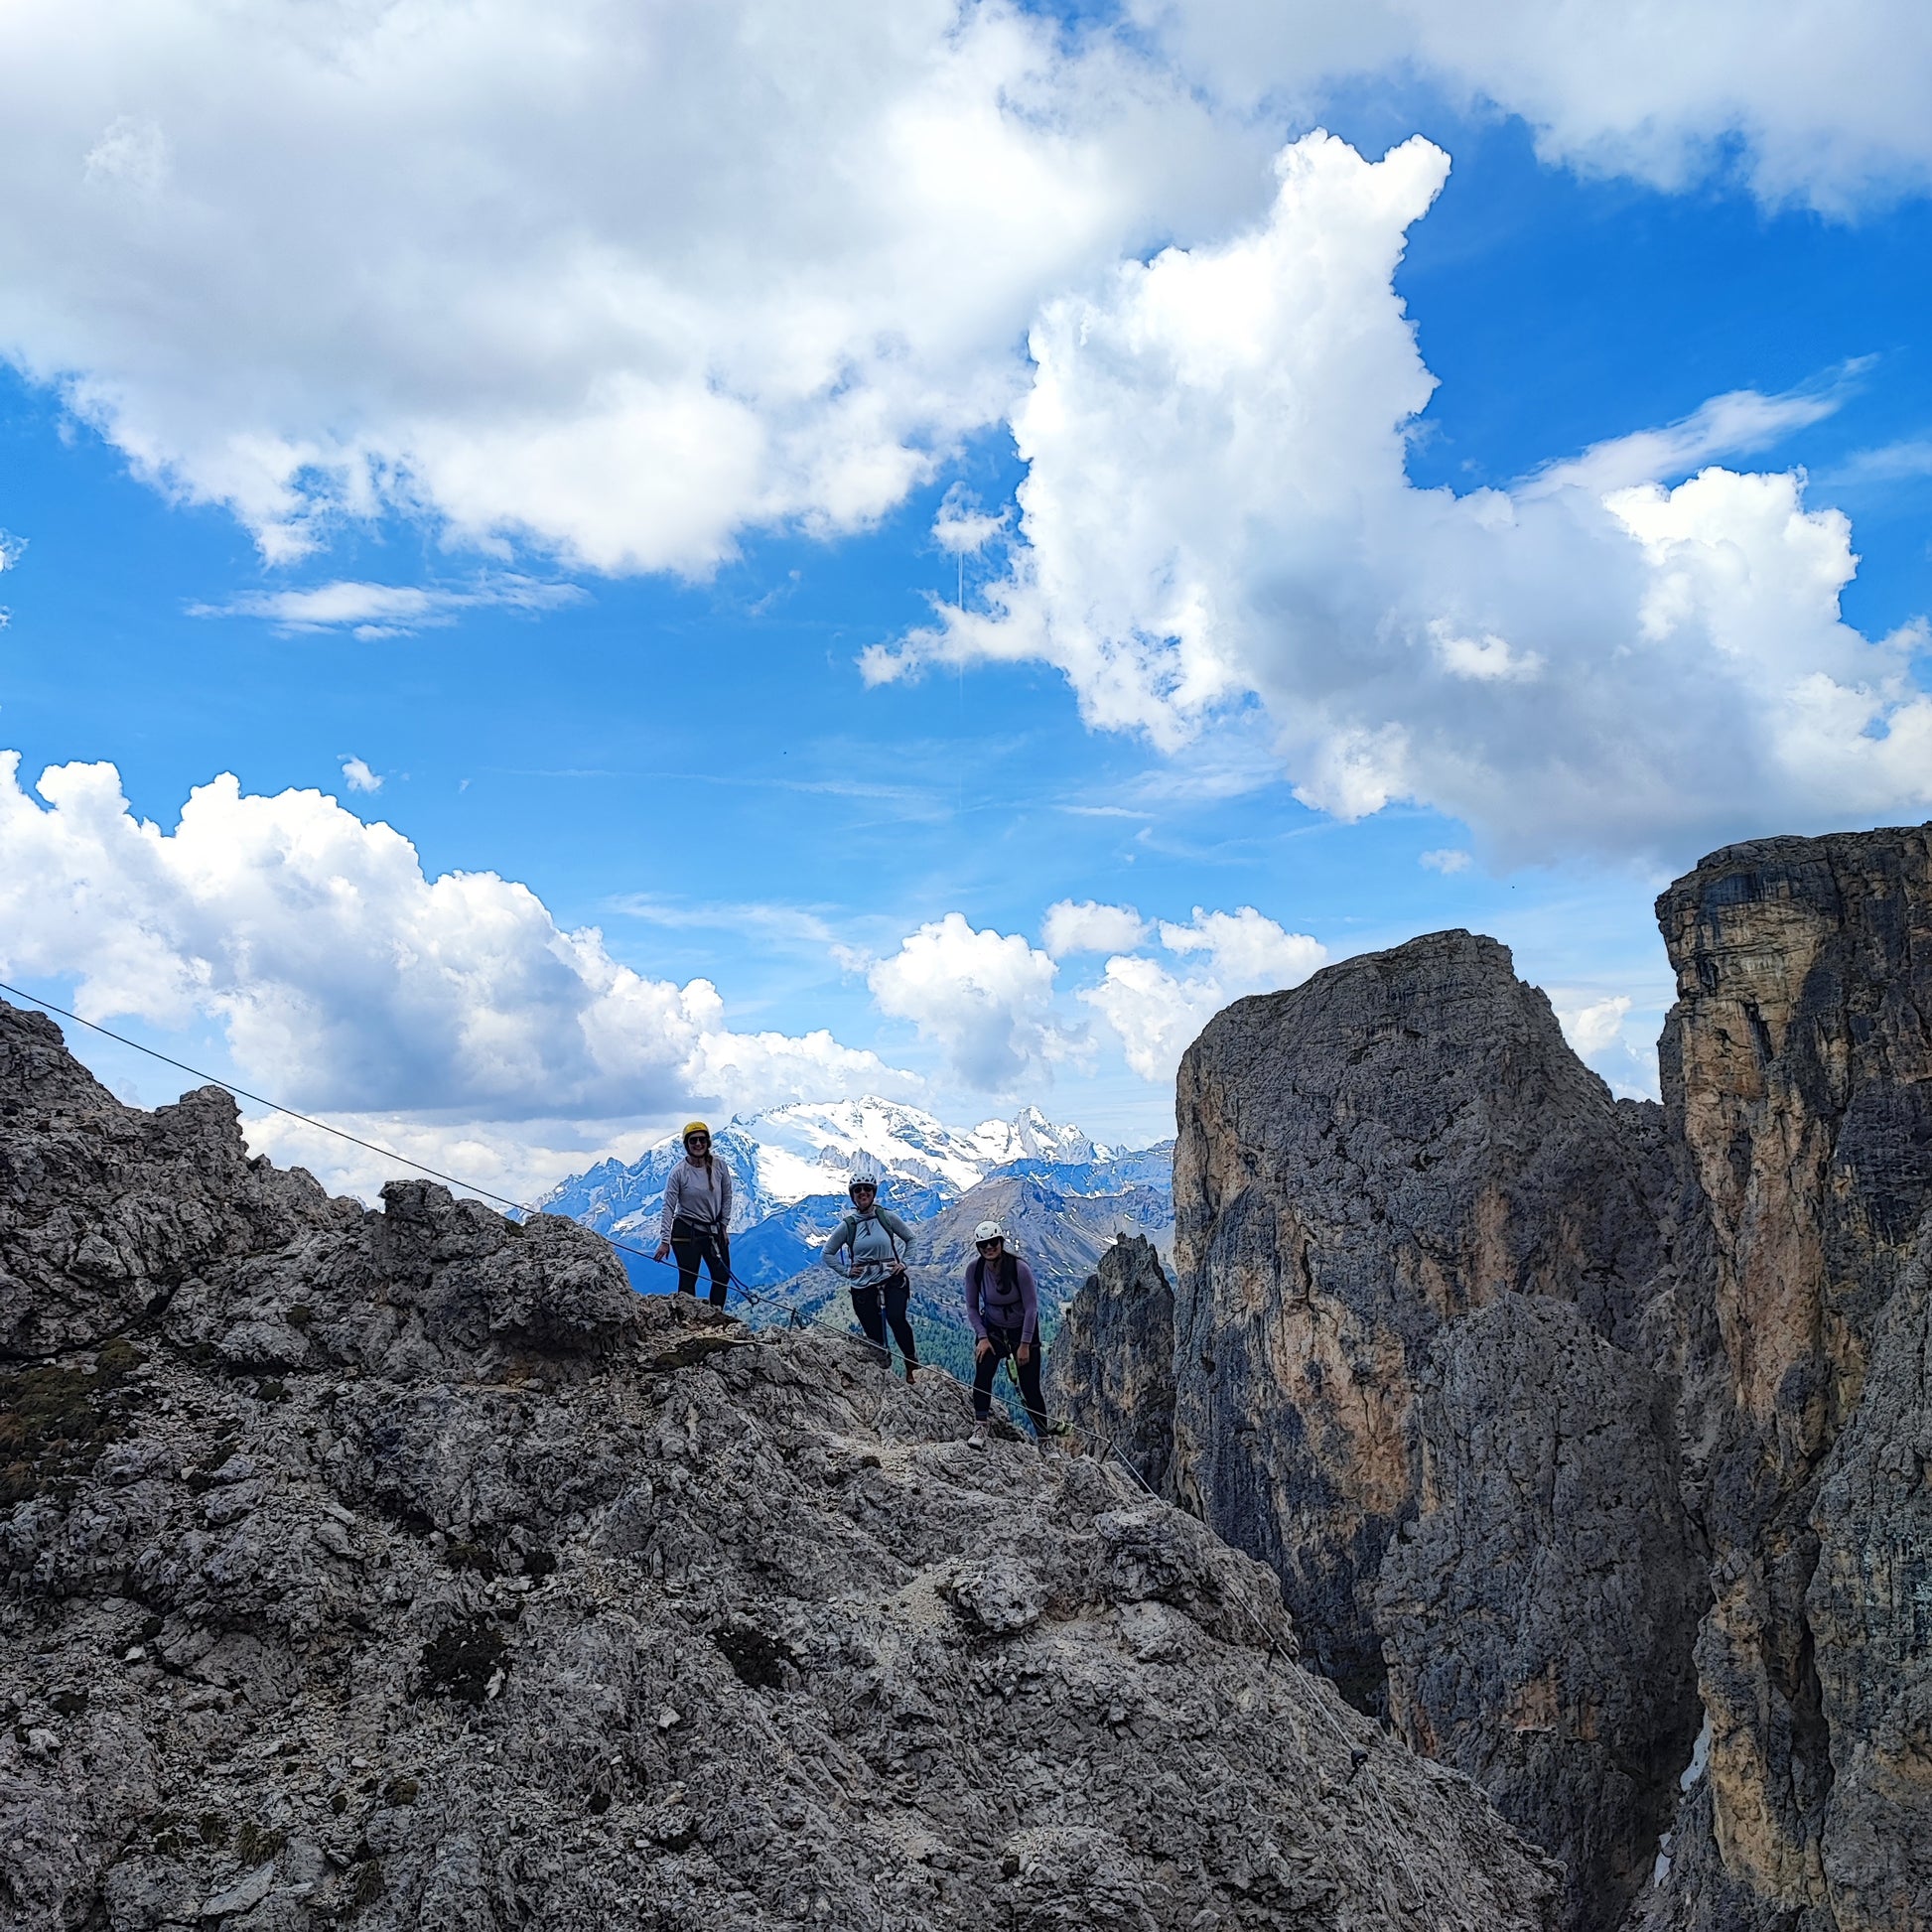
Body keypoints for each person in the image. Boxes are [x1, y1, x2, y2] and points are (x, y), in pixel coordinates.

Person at [821, 1172, 919, 1381]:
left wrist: (904, 1263)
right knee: (873, 1334)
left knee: (896, 1317)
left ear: (873, 1192)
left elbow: (911, 1239)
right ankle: (883, 1371)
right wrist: (846, 1272)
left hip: (891, 1278)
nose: (862, 1193)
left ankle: (911, 1364)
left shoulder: (886, 1217)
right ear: (853, 1195)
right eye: (858, 1190)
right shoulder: (848, 1225)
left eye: (867, 1189)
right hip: (862, 1285)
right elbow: (827, 1253)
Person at [963, 1219, 1049, 1449]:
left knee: (1030, 1387)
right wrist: (982, 1337)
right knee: (983, 1375)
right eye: (984, 1245)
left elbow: (1031, 1308)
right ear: (978, 1248)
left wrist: (1024, 1344)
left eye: (993, 1243)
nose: (989, 1248)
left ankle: (1044, 1439)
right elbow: (971, 1307)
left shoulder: (1019, 1268)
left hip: (1022, 1330)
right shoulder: (975, 1269)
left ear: (1001, 1243)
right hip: (992, 1329)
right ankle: (981, 1425)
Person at [653, 1120, 734, 1309]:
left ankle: (716, 1315)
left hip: (713, 1229)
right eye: (693, 1141)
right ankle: (687, 1319)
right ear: (687, 1144)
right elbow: (668, 1207)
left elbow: (727, 1195)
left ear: (708, 1143)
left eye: (702, 1140)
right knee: (689, 1276)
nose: (698, 1144)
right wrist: (665, 1241)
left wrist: (723, 1225)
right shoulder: (679, 1172)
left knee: (722, 1276)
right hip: (685, 1231)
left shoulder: (719, 1166)